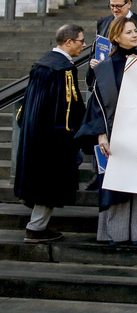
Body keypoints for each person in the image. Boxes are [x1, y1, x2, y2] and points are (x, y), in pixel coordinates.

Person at [75, 16, 137, 245]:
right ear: (115, 37)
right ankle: (117, 233)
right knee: (116, 185)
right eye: (128, 32)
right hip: (114, 136)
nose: (134, 35)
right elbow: (97, 106)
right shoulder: (103, 69)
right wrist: (101, 135)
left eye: (135, 31)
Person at [15, 24, 87, 243]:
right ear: (68, 42)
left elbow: (26, 103)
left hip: (35, 132)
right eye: (81, 41)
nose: (83, 45)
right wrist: (75, 132)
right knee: (51, 181)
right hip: (54, 138)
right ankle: (36, 228)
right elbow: (69, 106)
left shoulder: (43, 63)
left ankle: (37, 222)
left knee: (41, 179)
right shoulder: (63, 69)